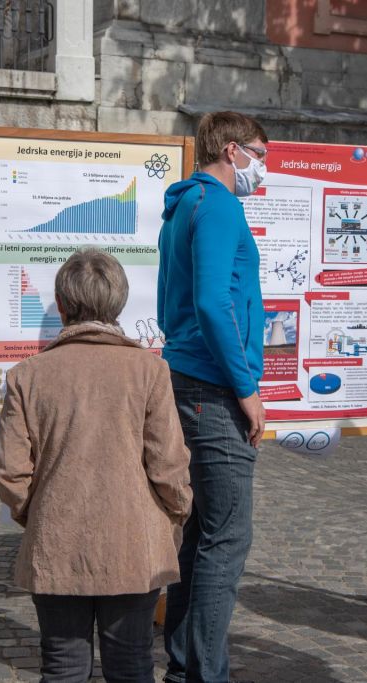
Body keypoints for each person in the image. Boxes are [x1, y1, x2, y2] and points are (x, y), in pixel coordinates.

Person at [0, 248, 192, 682]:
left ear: (63, 306)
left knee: (62, 665)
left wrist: (38, 513)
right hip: (133, 541)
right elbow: (169, 466)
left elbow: (10, 471)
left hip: (57, 540)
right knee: (132, 663)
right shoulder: (149, 371)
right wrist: (174, 515)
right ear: (118, 305)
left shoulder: (27, 375)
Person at [157, 110, 268, 683]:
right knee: (226, 537)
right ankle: (204, 673)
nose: (262, 168)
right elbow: (211, 302)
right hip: (215, 386)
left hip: (187, 375)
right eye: (258, 154)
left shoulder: (182, 205)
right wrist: (246, 388)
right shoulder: (219, 204)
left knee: (202, 533)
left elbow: (171, 302)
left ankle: (184, 668)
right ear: (231, 149)